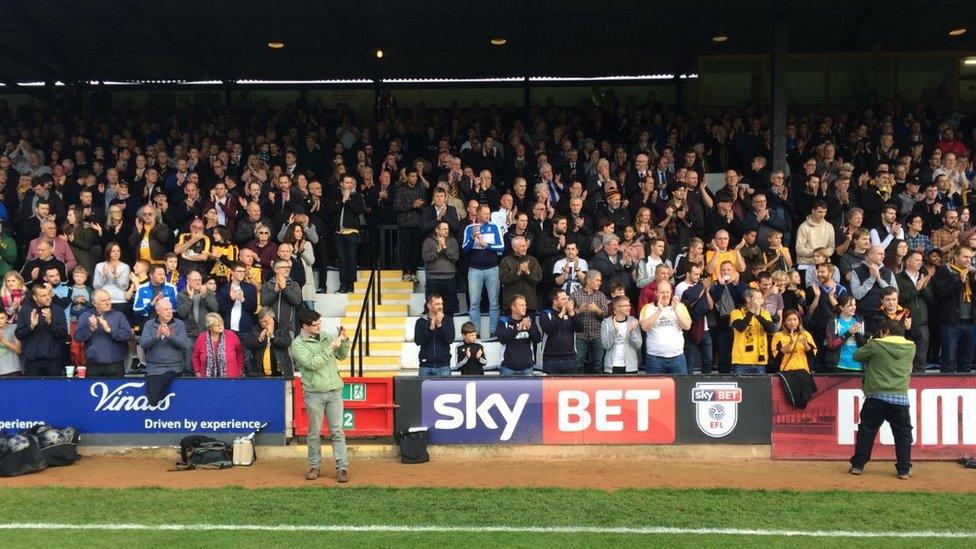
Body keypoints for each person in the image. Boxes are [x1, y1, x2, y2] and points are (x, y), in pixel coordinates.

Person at [849, 318, 916, 480]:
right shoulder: (911, 347)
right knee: (903, 435)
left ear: (886, 332)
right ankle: (904, 470)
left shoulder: (876, 345)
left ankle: (858, 465)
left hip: (876, 397)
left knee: (867, 431)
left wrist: (871, 342)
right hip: (900, 398)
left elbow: (857, 356)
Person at [289, 308, 350, 483]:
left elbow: (342, 355)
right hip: (314, 393)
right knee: (314, 432)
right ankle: (314, 466)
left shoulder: (325, 336)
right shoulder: (298, 344)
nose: (319, 327)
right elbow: (312, 364)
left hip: (334, 391)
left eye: (319, 323)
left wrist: (343, 340)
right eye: (315, 325)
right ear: (305, 326)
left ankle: (342, 468)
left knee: (337, 431)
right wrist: (331, 347)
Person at [462, 204, 505, 336]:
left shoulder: (494, 227)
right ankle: (475, 333)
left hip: (492, 269)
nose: (488, 216)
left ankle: (493, 332)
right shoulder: (469, 228)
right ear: (478, 214)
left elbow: (501, 247)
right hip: (474, 270)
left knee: (494, 303)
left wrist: (486, 244)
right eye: (485, 213)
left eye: (489, 213)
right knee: (474, 303)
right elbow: (464, 249)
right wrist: (472, 238)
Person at [932, 245, 976, 373]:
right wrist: (959, 281)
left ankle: (965, 392)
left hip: (970, 322)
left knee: (967, 361)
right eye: (965, 256)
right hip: (950, 322)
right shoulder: (943, 271)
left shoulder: (972, 273)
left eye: (970, 257)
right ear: (955, 256)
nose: (968, 260)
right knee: (949, 360)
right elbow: (940, 294)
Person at [140, 299, 192, 404]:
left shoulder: (179, 324)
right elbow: (143, 344)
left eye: (170, 309)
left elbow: (184, 344)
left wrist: (169, 336)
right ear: (157, 311)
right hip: (154, 369)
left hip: (175, 369)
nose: (169, 312)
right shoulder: (149, 324)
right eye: (165, 309)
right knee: (153, 401)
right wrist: (157, 336)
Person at [73, 289, 133, 376]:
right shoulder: (85, 316)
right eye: (103, 300)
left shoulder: (119, 316)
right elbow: (77, 338)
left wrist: (110, 330)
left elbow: (128, 336)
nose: (108, 303)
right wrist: (91, 329)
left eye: (109, 299)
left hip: (116, 365)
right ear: (94, 303)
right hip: (93, 365)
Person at [16, 283, 69, 376]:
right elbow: (19, 335)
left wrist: (50, 322)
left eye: (49, 294)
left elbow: (64, 335)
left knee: (54, 390)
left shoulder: (58, 310)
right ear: (35, 297)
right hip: (32, 362)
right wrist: (31, 326)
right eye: (43, 295)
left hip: (53, 361)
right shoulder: (25, 310)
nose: (48, 297)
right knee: (33, 390)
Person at [640, 281, 692, 374]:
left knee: (680, 388)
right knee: (655, 388)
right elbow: (644, 327)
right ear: (656, 293)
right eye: (662, 292)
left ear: (671, 292)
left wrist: (675, 309)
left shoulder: (680, 306)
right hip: (654, 358)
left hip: (677, 357)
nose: (665, 295)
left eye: (667, 292)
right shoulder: (647, 308)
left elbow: (687, 326)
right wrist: (659, 311)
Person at [896, 251, 934, 373]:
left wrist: (923, 288)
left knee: (920, 358)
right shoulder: (898, 278)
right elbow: (898, 300)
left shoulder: (923, 277)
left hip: (922, 323)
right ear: (907, 261)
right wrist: (916, 289)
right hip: (903, 323)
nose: (920, 262)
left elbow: (932, 301)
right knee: (902, 358)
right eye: (917, 260)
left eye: (921, 260)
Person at [328, 174, 364, 293]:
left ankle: (352, 285)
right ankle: (343, 285)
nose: (349, 185)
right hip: (339, 233)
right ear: (341, 184)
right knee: (342, 260)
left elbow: (358, 210)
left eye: (350, 182)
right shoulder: (335, 196)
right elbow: (331, 210)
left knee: (352, 259)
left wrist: (348, 200)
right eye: (346, 182)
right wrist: (342, 200)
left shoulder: (357, 196)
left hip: (352, 233)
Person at [850, 245, 898, 334]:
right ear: (870, 255)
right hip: (865, 316)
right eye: (880, 254)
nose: (883, 256)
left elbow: (895, 293)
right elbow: (857, 295)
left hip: (887, 317)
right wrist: (871, 279)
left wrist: (880, 280)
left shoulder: (888, 271)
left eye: (884, 254)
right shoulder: (857, 271)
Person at [729, 287, 775, 374]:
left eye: (761, 298)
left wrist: (758, 315)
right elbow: (740, 327)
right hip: (741, 361)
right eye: (758, 298)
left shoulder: (764, 313)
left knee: (759, 387)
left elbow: (771, 329)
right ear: (748, 299)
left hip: (760, 361)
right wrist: (751, 312)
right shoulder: (737, 312)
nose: (761, 301)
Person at [570, 270, 608, 374]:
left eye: (600, 280)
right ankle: (577, 387)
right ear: (588, 281)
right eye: (597, 280)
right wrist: (579, 310)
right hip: (580, 335)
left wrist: (596, 309)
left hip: (597, 334)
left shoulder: (601, 296)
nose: (600, 283)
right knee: (578, 363)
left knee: (598, 364)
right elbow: (568, 313)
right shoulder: (574, 295)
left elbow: (606, 314)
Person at [495, 294, 542, 376]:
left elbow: (538, 339)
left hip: (527, 367)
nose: (525, 307)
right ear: (513, 307)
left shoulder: (529, 321)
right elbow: (502, 339)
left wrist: (530, 328)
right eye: (521, 305)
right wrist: (517, 329)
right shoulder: (504, 321)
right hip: (508, 368)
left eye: (525, 305)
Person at [422, 220, 460, 317]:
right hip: (433, 278)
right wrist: (437, 250)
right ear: (437, 230)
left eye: (447, 229)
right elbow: (426, 258)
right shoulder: (428, 241)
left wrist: (445, 248)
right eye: (444, 229)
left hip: (449, 278)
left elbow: (455, 257)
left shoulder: (452, 241)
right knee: (433, 308)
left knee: (449, 308)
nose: (446, 231)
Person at [499, 235, 544, 314]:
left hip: (529, 305)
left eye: (526, 246)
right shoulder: (505, 261)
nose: (525, 248)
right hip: (511, 305)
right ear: (514, 248)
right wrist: (518, 272)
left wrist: (527, 272)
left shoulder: (533, 261)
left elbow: (537, 279)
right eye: (522, 246)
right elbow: (504, 280)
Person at [539, 288, 580, 374]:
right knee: (551, 387)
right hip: (551, 359)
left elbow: (580, 328)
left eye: (567, 299)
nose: (566, 301)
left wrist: (572, 313)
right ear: (555, 301)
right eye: (563, 299)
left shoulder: (570, 313)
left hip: (570, 357)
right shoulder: (546, 313)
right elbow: (549, 329)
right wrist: (561, 313)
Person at [414, 294, 456, 377]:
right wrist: (430, 329)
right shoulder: (421, 321)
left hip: (444, 366)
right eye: (437, 304)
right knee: (423, 390)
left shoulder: (448, 320)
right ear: (429, 305)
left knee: (445, 390)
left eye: (441, 304)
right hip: (425, 366)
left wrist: (440, 325)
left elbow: (450, 339)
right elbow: (418, 341)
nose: (440, 306)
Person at [191, 313, 245, 378]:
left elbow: (240, 354)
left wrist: (240, 370)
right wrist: (197, 371)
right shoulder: (201, 338)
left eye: (221, 323)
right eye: (217, 325)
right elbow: (195, 356)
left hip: (231, 379)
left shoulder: (231, 335)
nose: (221, 326)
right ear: (210, 328)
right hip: (207, 380)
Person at [245, 307, 294, 377]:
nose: (264, 324)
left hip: (280, 371)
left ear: (272, 318)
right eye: (262, 322)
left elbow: (287, 342)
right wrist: (259, 339)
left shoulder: (282, 328)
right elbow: (247, 344)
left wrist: (273, 337)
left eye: (266, 321)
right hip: (260, 372)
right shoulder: (254, 329)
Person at [600, 296, 643, 374]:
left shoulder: (633, 321)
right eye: (625, 306)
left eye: (629, 305)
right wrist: (615, 330)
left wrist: (632, 331)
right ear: (617, 308)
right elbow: (606, 345)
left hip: (630, 367)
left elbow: (638, 345)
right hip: (611, 367)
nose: (629, 308)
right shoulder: (606, 323)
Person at [176, 270, 219, 341]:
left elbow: (215, 308)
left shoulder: (208, 293)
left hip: (206, 333)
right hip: (189, 335)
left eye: (199, 280)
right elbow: (181, 313)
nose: (198, 282)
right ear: (188, 281)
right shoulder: (181, 295)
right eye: (195, 280)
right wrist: (190, 298)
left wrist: (205, 296)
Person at [261, 259, 302, 332]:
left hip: (288, 327)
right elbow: (264, 302)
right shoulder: (267, 285)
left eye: (289, 267)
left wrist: (285, 288)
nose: (287, 269)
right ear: (276, 269)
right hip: (270, 326)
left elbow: (297, 301)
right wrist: (275, 291)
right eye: (284, 267)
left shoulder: (294, 285)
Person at [831, 294, 866, 372]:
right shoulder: (835, 321)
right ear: (841, 307)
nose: (854, 307)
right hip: (840, 364)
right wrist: (849, 332)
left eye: (854, 304)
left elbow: (863, 345)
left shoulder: (859, 320)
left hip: (857, 365)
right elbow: (832, 345)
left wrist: (858, 335)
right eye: (850, 305)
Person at [0, 311, 21, 376]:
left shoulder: (14, 328)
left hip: (12, 370)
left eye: (2, 318)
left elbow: (19, 351)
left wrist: (2, 340)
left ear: (7, 317)